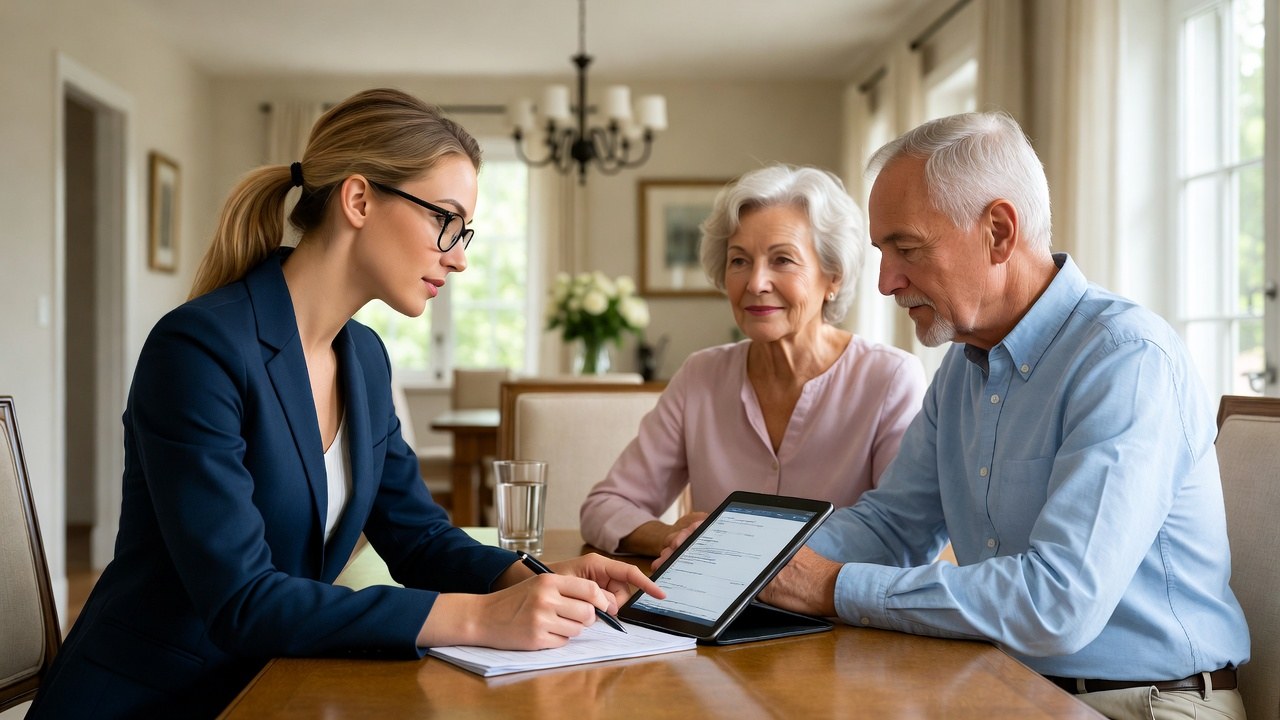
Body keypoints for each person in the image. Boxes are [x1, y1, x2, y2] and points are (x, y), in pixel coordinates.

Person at [30, 88, 661, 719]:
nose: (460, 257)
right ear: (359, 199)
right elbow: (243, 601)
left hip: (273, 687)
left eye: (464, 230)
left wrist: (530, 581)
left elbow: (417, 536)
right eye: (444, 219)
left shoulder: (362, 356)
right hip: (153, 700)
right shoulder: (199, 348)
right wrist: (479, 617)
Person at [747, 112, 1249, 720]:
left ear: (999, 233)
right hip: (1006, 687)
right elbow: (893, 526)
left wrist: (828, 585)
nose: (885, 282)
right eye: (882, 252)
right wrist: (746, 561)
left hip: (1146, 704)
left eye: (906, 248)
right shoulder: (963, 367)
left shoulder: (1126, 360)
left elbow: (1056, 604)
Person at [580, 165, 926, 556]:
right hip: (710, 608)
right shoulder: (701, 375)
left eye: (782, 260)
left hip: (837, 612)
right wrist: (672, 538)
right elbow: (604, 507)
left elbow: (900, 534)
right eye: (739, 261)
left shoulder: (889, 378)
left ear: (834, 277)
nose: (755, 283)